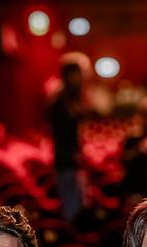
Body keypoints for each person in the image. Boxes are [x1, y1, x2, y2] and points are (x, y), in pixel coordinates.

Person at [49, 53, 90, 221]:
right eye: (79, 74)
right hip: (67, 164)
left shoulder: (71, 99)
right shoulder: (61, 101)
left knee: (78, 208)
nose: (83, 78)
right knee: (72, 212)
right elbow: (64, 135)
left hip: (72, 163)